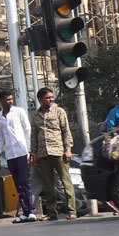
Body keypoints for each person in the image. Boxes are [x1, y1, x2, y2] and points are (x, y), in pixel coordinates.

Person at [31, 86, 76, 221]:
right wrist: (34, 153)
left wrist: (68, 149)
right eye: (47, 98)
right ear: (40, 100)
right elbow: (34, 135)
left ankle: (72, 210)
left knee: (65, 182)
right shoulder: (36, 115)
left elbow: (66, 131)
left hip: (58, 151)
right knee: (48, 185)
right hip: (43, 154)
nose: (51, 99)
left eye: (52, 97)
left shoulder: (59, 112)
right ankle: (52, 213)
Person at [0, 90, 37, 223]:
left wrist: (31, 150)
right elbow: (0, 137)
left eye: (11, 99)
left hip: (22, 151)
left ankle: (31, 211)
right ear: (1, 101)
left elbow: (27, 130)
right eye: (7, 100)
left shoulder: (19, 111)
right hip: (10, 154)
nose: (10, 102)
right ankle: (25, 211)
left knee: (24, 181)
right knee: (17, 183)